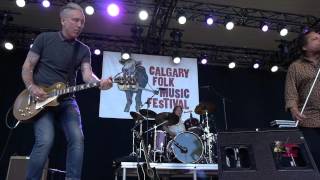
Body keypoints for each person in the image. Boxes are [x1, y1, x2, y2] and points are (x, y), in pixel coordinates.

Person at [21, 3, 113, 180]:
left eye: (82, 22)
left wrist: (99, 83)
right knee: (45, 141)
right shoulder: (44, 39)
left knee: (77, 139)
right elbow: (27, 67)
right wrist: (32, 87)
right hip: (41, 101)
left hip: (66, 101)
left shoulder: (83, 50)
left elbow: (87, 76)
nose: (79, 25)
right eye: (75, 20)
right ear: (63, 20)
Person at [284, 30, 320, 171]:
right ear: (304, 47)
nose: (319, 40)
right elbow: (291, 92)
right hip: (308, 120)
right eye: (315, 39)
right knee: (314, 158)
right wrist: (293, 109)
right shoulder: (296, 67)